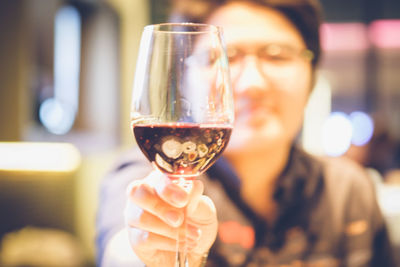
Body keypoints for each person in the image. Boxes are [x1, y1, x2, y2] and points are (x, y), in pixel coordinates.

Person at [96, 0, 396, 266]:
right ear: (185, 82)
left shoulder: (349, 191)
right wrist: (148, 255)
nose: (252, 83)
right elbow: (123, 247)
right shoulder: (148, 177)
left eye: (276, 55)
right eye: (225, 57)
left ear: (312, 76)